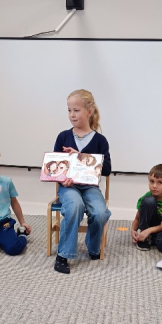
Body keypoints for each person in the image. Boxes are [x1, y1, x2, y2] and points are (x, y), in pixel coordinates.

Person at [52, 89, 112, 274]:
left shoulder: (100, 140)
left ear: (89, 111)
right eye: (69, 110)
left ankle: (93, 247)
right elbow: (55, 167)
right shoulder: (63, 136)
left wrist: (81, 157)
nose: (72, 115)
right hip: (68, 187)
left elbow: (107, 169)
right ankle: (63, 254)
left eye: (76, 110)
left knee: (100, 213)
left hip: (90, 187)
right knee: (75, 206)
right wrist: (63, 180)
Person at [130, 164, 162, 252]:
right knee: (149, 200)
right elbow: (137, 218)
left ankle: (151, 236)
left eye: (160, 182)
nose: (154, 186)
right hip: (149, 225)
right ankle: (144, 236)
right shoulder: (146, 197)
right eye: (152, 181)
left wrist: (150, 231)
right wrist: (133, 230)